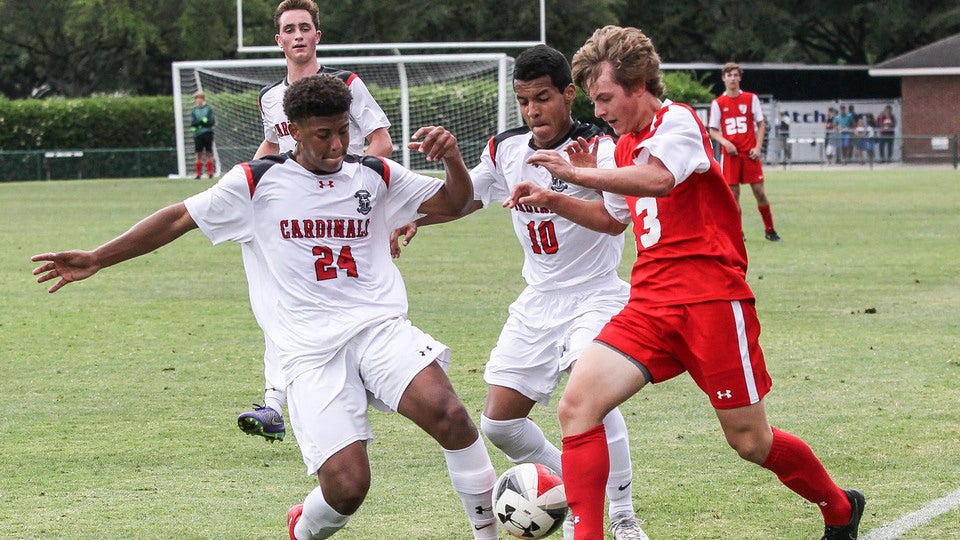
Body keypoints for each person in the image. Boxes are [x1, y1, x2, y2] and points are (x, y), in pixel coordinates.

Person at [32, 74, 499, 540]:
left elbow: (455, 204)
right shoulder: (256, 182)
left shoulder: (374, 175)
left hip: (378, 326)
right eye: (324, 134)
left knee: (452, 417)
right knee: (347, 489)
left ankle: (488, 534)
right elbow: (178, 218)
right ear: (292, 130)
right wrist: (99, 257)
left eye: (343, 130)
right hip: (309, 351)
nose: (338, 144)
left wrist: (453, 160)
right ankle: (302, 530)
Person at [510, 25, 865, 540]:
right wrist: (554, 199)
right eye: (594, 100)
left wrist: (579, 174)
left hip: (711, 302)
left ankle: (839, 506)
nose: (600, 110)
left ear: (639, 84)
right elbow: (612, 219)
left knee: (750, 441)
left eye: (606, 97)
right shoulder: (621, 147)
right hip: (649, 304)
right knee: (578, 407)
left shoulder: (677, 121)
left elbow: (659, 179)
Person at [391, 44, 648, 540]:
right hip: (538, 301)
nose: (533, 110)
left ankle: (622, 515)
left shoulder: (599, 146)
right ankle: (575, 485)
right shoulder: (506, 149)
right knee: (500, 425)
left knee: (592, 398)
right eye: (524, 100)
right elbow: (462, 199)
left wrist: (566, 187)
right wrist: (413, 217)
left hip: (596, 295)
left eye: (543, 98)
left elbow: (616, 221)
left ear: (569, 94)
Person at [238, 0, 395, 443]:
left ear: (317, 36)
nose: (298, 35)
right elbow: (271, 149)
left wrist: (357, 193)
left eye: (305, 27)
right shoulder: (271, 98)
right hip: (297, 218)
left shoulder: (346, 84)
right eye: (289, 29)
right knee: (279, 299)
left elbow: (381, 142)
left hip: (345, 219)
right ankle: (274, 401)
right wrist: (242, 188)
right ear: (279, 40)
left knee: (354, 305)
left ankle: (367, 379)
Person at [708, 62, 782, 242]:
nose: (733, 79)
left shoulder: (750, 98)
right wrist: (726, 142)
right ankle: (738, 233)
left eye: (735, 75)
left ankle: (770, 230)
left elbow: (761, 124)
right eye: (729, 75)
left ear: (740, 78)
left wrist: (758, 147)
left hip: (749, 154)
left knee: (759, 192)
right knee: (733, 196)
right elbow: (713, 130)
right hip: (731, 155)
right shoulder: (718, 103)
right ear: (724, 78)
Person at [190, 90, 216, 179]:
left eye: (200, 98)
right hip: (198, 134)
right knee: (198, 153)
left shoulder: (208, 109)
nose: (199, 100)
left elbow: (211, 121)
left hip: (208, 133)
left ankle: (210, 172)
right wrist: (202, 122)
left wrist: (201, 123)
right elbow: (193, 123)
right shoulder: (194, 110)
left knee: (209, 153)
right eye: (197, 98)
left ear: (203, 99)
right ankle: (198, 174)